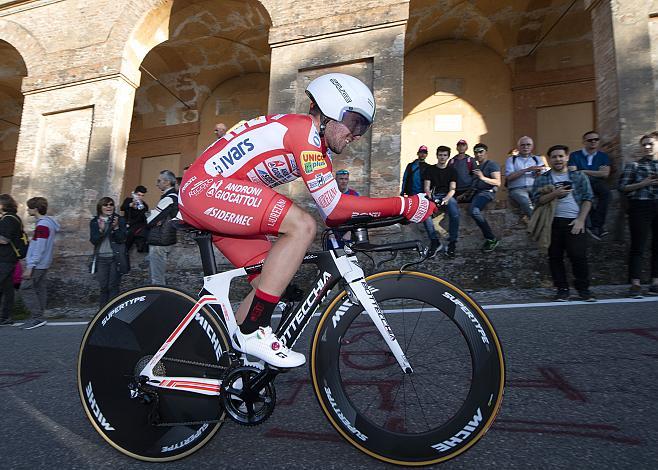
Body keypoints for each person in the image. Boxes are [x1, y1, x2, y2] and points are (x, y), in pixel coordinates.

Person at [179, 73, 435, 368]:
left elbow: (335, 213)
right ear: (329, 109)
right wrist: (404, 204)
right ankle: (253, 332)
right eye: (355, 122)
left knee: (270, 282)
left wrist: (395, 213)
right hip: (204, 189)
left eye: (364, 127)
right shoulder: (302, 132)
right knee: (301, 226)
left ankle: (223, 365)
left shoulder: (317, 151)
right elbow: (335, 209)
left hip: (223, 198)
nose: (358, 134)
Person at [531, 145, 594, 302]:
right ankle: (562, 290)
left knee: (578, 256)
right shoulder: (542, 179)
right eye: (554, 157)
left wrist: (581, 220)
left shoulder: (579, 176)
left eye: (560, 156)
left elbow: (588, 198)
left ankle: (584, 289)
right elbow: (537, 201)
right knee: (555, 257)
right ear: (550, 159)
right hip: (552, 223)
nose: (557, 159)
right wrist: (555, 194)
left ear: (567, 157)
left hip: (574, 221)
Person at [618, 134, 658, 298]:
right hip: (640, 206)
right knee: (638, 246)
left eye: (650, 144)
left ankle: (655, 282)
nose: (647, 147)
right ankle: (635, 283)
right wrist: (643, 184)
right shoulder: (633, 166)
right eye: (644, 144)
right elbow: (622, 187)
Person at [21, 197, 60, 330]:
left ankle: (37, 317)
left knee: (26, 287)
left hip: (38, 264)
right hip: (44, 263)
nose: (27, 210)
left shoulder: (43, 225)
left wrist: (30, 266)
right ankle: (39, 316)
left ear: (35, 209)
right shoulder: (48, 223)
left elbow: (39, 247)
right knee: (39, 288)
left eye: (29, 207)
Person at [568, 131, 611, 240]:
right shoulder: (575, 155)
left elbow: (605, 174)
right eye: (590, 140)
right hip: (581, 183)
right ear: (584, 142)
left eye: (596, 139)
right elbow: (573, 173)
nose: (593, 142)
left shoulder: (603, 156)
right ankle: (596, 227)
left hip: (597, 182)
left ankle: (596, 225)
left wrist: (583, 171)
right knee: (587, 195)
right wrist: (595, 172)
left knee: (607, 193)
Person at [90, 197, 129, 307]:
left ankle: (112, 313)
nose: (109, 207)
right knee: (103, 287)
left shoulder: (119, 220)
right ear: (100, 207)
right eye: (106, 205)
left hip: (115, 258)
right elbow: (94, 240)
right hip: (101, 258)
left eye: (111, 205)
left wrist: (116, 228)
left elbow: (122, 239)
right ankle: (102, 313)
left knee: (113, 286)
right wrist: (101, 231)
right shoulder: (95, 222)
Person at [401, 145, 439, 250]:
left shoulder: (429, 167)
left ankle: (433, 241)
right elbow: (405, 179)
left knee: (426, 217)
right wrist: (402, 193)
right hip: (412, 197)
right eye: (421, 152)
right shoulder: (411, 166)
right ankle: (412, 244)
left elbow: (432, 184)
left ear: (426, 155)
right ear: (418, 153)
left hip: (424, 198)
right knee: (410, 220)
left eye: (424, 152)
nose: (422, 154)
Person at [423, 145, 459, 257]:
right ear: (437, 156)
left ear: (448, 157)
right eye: (440, 155)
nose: (442, 157)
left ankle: (452, 243)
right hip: (433, 196)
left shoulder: (452, 171)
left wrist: (446, 199)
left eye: (445, 155)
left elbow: (453, 189)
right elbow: (426, 188)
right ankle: (435, 242)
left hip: (447, 196)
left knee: (455, 212)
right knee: (425, 213)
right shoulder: (430, 169)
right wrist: (431, 198)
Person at [146, 170, 178, 285]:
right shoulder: (172, 197)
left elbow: (150, 220)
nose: (157, 184)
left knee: (157, 279)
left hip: (159, 241)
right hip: (164, 239)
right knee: (157, 277)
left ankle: (160, 302)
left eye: (159, 181)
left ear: (167, 182)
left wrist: (152, 217)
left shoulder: (169, 198)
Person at [506, 136, 546, 223]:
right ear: (518, 147)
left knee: (545, 200)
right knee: (525, 202)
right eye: (523, 145)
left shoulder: (537, 159)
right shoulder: (511, 159)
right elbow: (509, 177)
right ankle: (537, 224)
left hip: (534, 187)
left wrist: (539, 173)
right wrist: (527, 170)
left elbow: (543, 176)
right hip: (517, 188)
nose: (525, 147)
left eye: (528, 145)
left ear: (532, 146)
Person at [469, 143, 501, 252]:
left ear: (486, 152)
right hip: (476, 193)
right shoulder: (477, 167)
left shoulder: (492, 164)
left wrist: (482, 177)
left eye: (480, 151)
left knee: (474, 211)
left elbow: (497, 182)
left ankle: (491, 239)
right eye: (476, 152)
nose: (478, 154)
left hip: (487, 193)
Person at [0, 194, 22, 326]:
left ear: (3, 204)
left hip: (5, 258)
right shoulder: (13, 218)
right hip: (9, 258)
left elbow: (4, 239)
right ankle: (6, 317)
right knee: (7, 288)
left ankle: (5, 316)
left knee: (6, 287)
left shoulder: (8, 219)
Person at [324, 169, 359, 249]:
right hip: (333, 232)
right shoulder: (330, 194)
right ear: (336, 180)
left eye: (346, 179)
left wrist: (350, 231)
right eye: (341, 179)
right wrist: (329, 232)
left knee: (349, 257)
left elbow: (357, 215)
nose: (343, 181)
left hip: (348, 232)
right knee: (333, 257)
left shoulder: (354, 195)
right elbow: (324, 214)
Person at [120, 185, 149, 253]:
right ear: (135, 194)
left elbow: (142, 218)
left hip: (136, 225)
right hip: (127, 222)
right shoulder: (128, 200)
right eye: (138, 195)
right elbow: (122, 208)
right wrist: (131, 205)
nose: (140, 197)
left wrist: (139, 208)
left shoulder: (144, 205)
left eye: (142, 195)